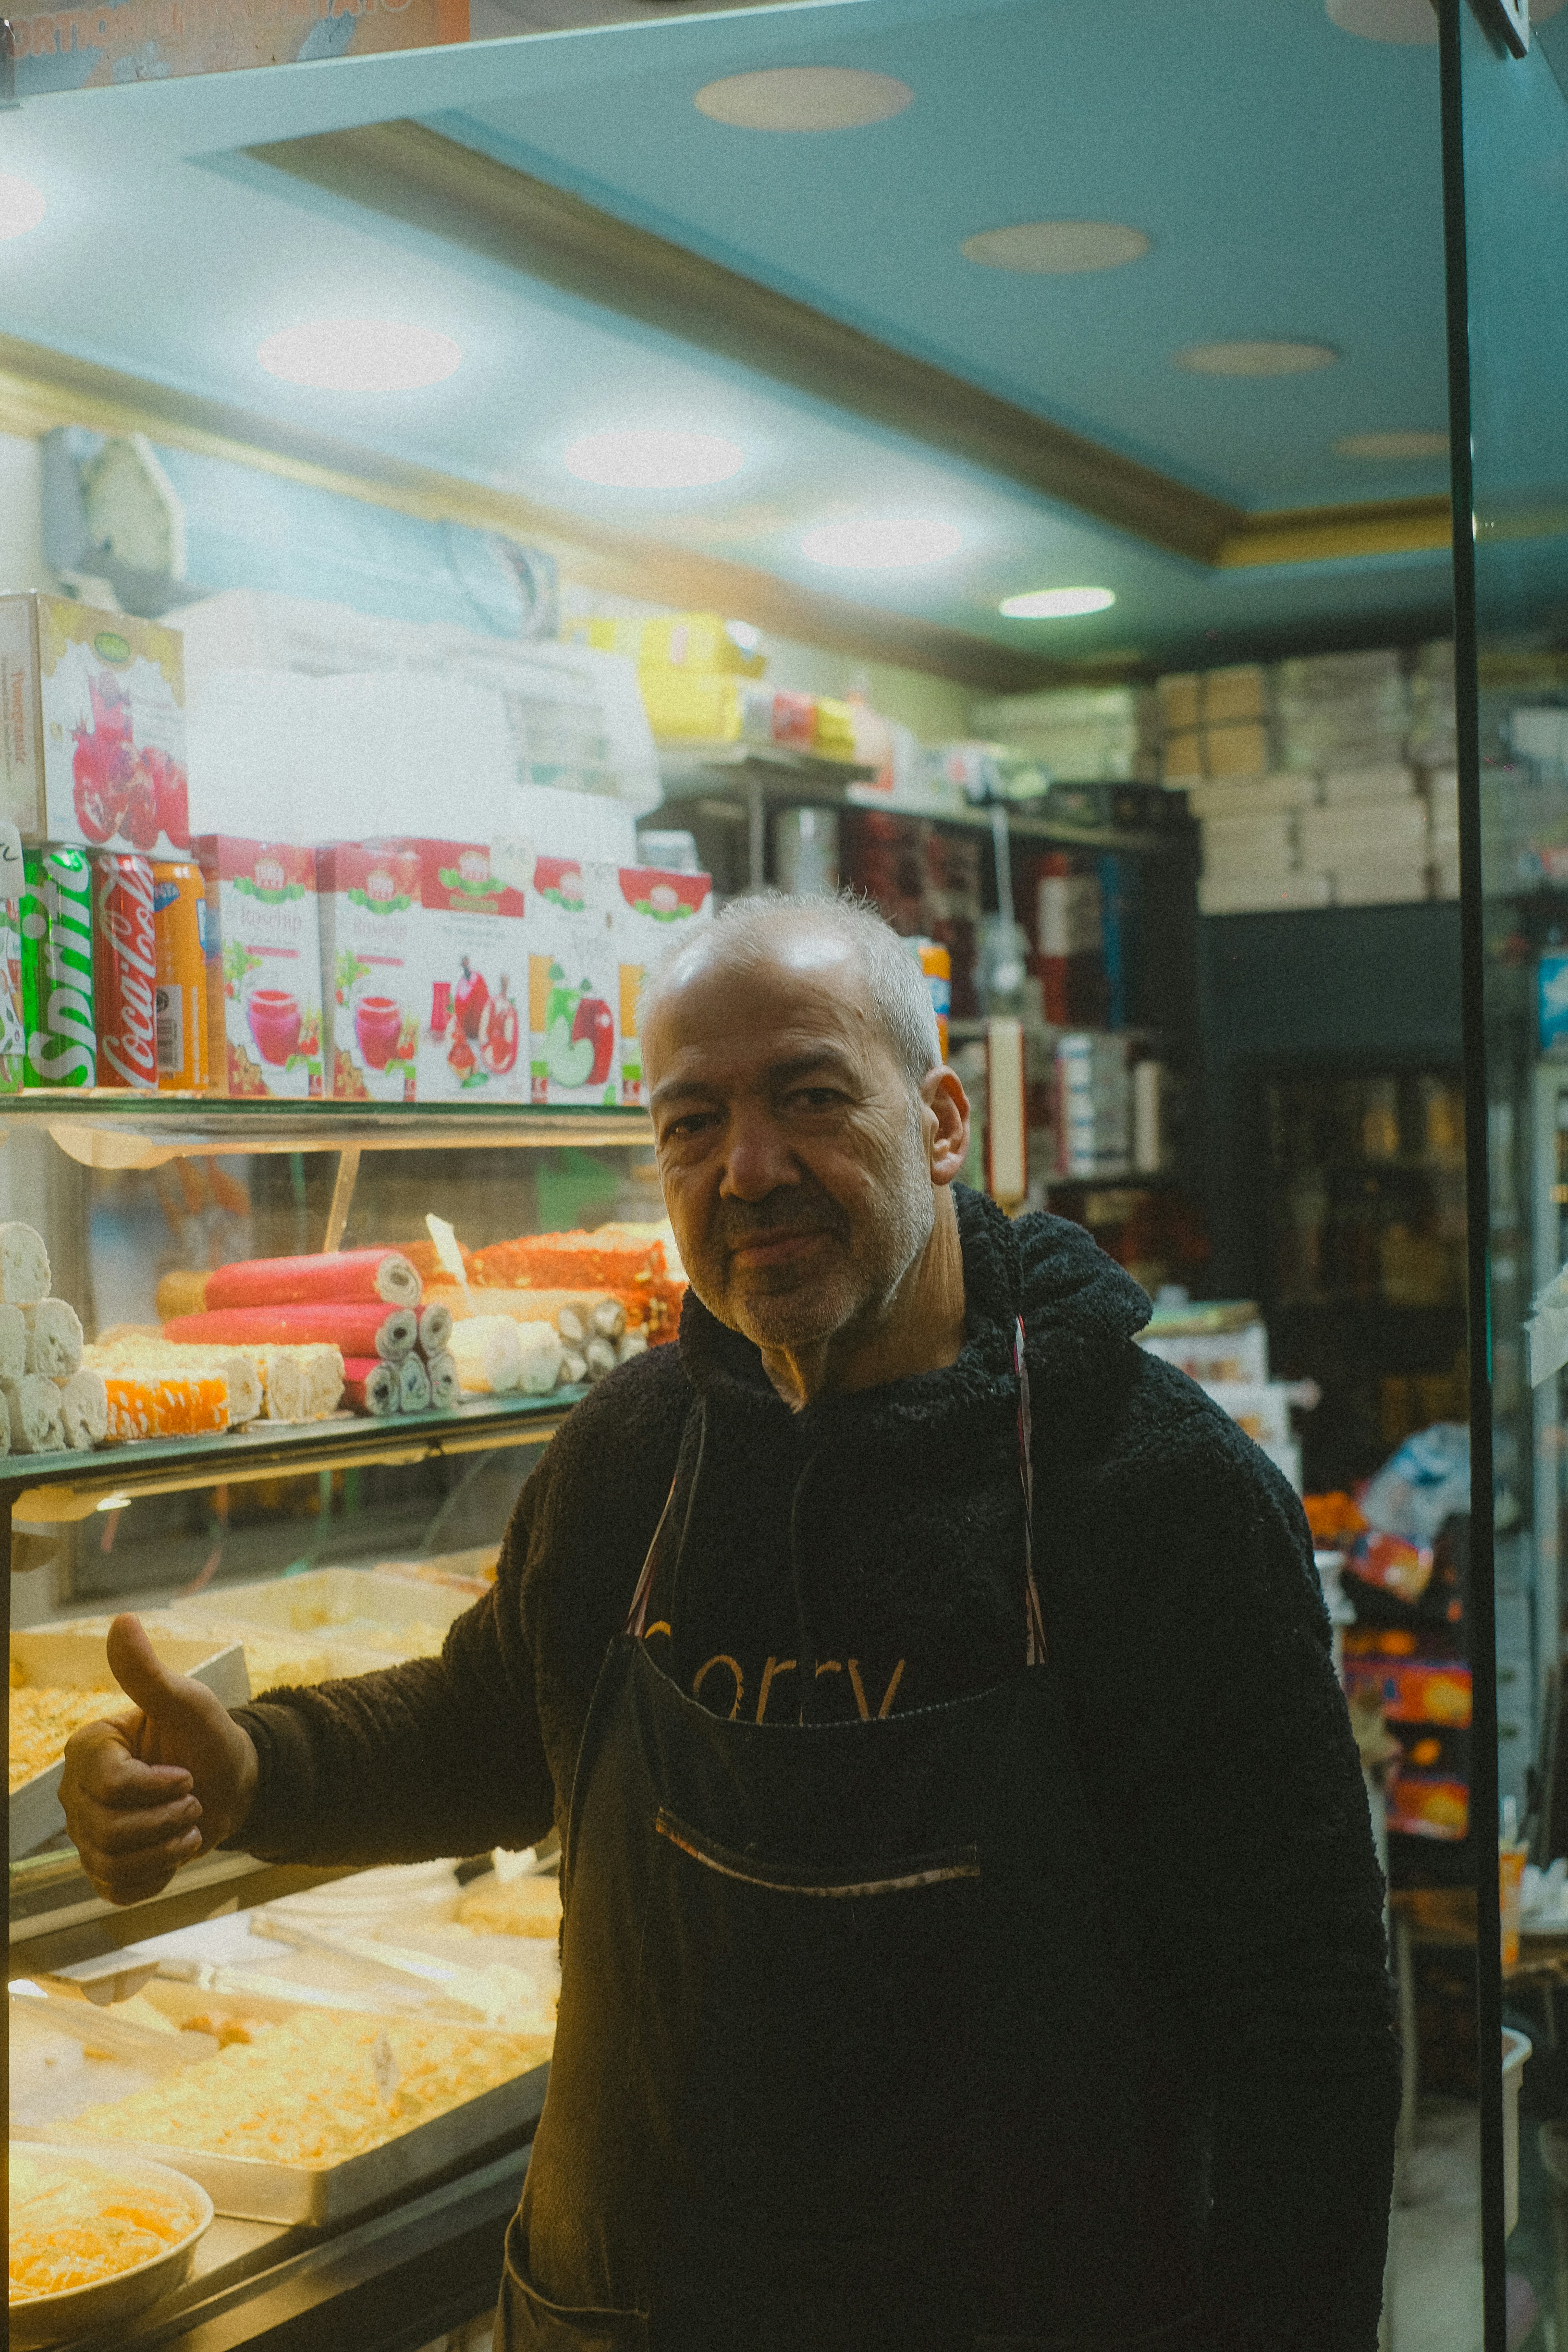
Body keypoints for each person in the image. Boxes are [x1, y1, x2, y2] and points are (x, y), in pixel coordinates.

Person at [62, 894, 1399, 2352]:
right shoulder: (641, 1445)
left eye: (810, 1098)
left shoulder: (1151, 1491)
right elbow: (494, 1720)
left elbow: (1308, 2028)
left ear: (946, 1123)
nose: (748, 1169)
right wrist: (252, 1770)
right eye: (690, 1124)